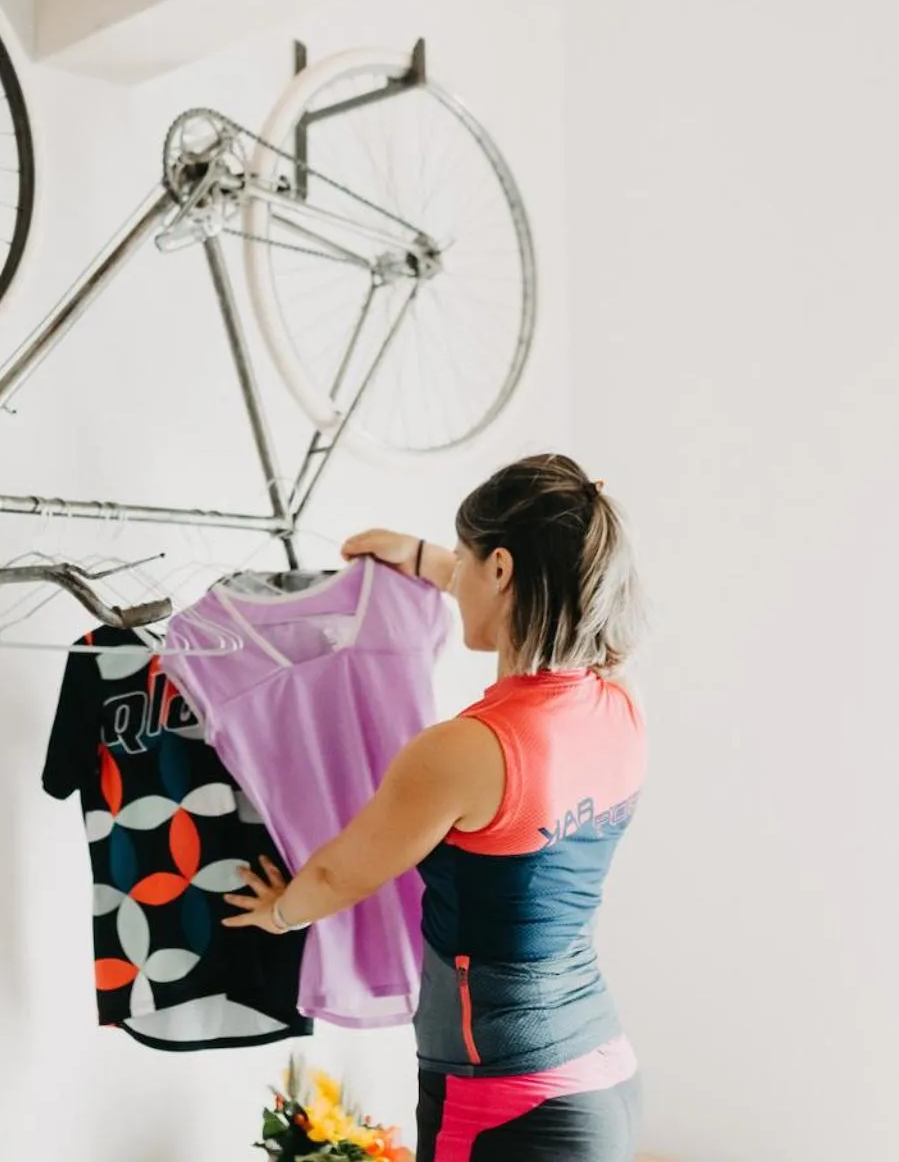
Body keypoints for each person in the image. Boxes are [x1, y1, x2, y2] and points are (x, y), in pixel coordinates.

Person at [221, 453, 648, 1160]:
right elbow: (528, 590)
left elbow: (339, 875)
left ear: (502, 571)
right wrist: (420, 556)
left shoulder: (467, 751)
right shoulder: (620, 706)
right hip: (602, 1075)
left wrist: (277, 912)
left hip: (506, 1099)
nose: (457, 582)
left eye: (468, 563)